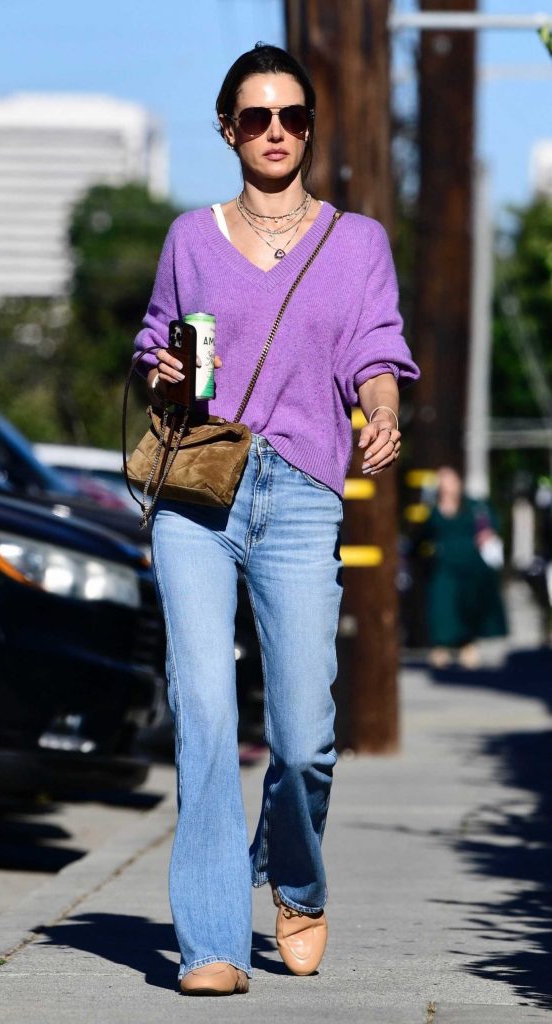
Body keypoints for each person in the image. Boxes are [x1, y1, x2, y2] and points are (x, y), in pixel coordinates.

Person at [134, 43, 419, 996]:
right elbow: (154, 344)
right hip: (199, 492)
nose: (274, 133)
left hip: (300, 495)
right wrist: (162, 368)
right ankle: (210, 943)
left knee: (302, 738)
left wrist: (379, 412)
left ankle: (294, 882)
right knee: (208, 716)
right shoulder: (189, 235)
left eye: (291, 116)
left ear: (309, 126)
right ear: (227, 129)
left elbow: (374, 346)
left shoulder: (357, 242)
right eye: (255, 118)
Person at [418, 466, 507, 668]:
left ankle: (467, 644)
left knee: (467, 605)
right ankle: (440, 647)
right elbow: (423, 535)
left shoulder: (474, 507)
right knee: (442, 607)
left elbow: (491, 525)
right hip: (444, 565)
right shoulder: (432, 509)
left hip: (470, 565)